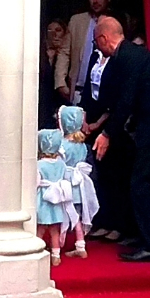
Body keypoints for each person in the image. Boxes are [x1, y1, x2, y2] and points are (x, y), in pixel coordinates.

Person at [92, 16, 150, 261]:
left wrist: (106, 134)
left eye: (96, 42)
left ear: (104, 39)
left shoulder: (129, 57)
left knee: (140, 184)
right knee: (141, 182)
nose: (96, 47)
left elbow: (126, 101)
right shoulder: (131, 55)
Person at [79, 45, 133, 243]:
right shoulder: (95, 56)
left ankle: (118, 224)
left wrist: (99, 124)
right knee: (98, 174)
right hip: (91, 120)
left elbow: (117, 99)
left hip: (111, 124)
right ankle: (102, 221)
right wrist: (84, 119)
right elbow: (87, 90)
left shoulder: (117, 60)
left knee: (114, 174)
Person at [58, 105, 99, 258]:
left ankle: (57, 243)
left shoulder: (61, 145)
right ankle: (80, 244)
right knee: (77, 216)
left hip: (66, 183)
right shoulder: (83, 146)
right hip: (80, 185)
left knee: (60, 213)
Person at [67, 0, 113, 103]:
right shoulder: (77, 21)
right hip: (78, 91)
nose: (95, 1)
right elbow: (65, 53)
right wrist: (60, 82)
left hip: (103, 96)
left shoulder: (115, 24)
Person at [36, 129, 72, 267]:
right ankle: (56, 256)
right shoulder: (61, 164)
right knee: (55, 230)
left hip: (44, 199)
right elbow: (65, 178)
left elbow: (36, 182)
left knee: (40, 228)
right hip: (57, 200)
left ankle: (37, 250)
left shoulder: (39, 165)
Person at [39, 19, 70, 128]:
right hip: (43, 107)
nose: (54, 34)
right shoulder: (40, 56)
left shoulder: (67, 59)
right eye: (50, 30)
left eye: (58, 30)